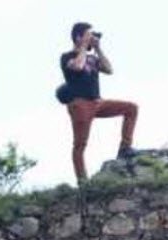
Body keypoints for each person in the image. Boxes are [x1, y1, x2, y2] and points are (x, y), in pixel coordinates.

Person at [60, 22, 139, 182]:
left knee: (131, 108)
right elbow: (78, 67)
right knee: (80, 145)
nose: (91, 38)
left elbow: (109, 70)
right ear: (78, 37)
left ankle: (125, 148)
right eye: (88, 35)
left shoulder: (93, 58)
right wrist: (83, 46)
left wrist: (97, 48)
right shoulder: (67, 57)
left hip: (98, 102)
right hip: (80, 105)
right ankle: (82, 181)